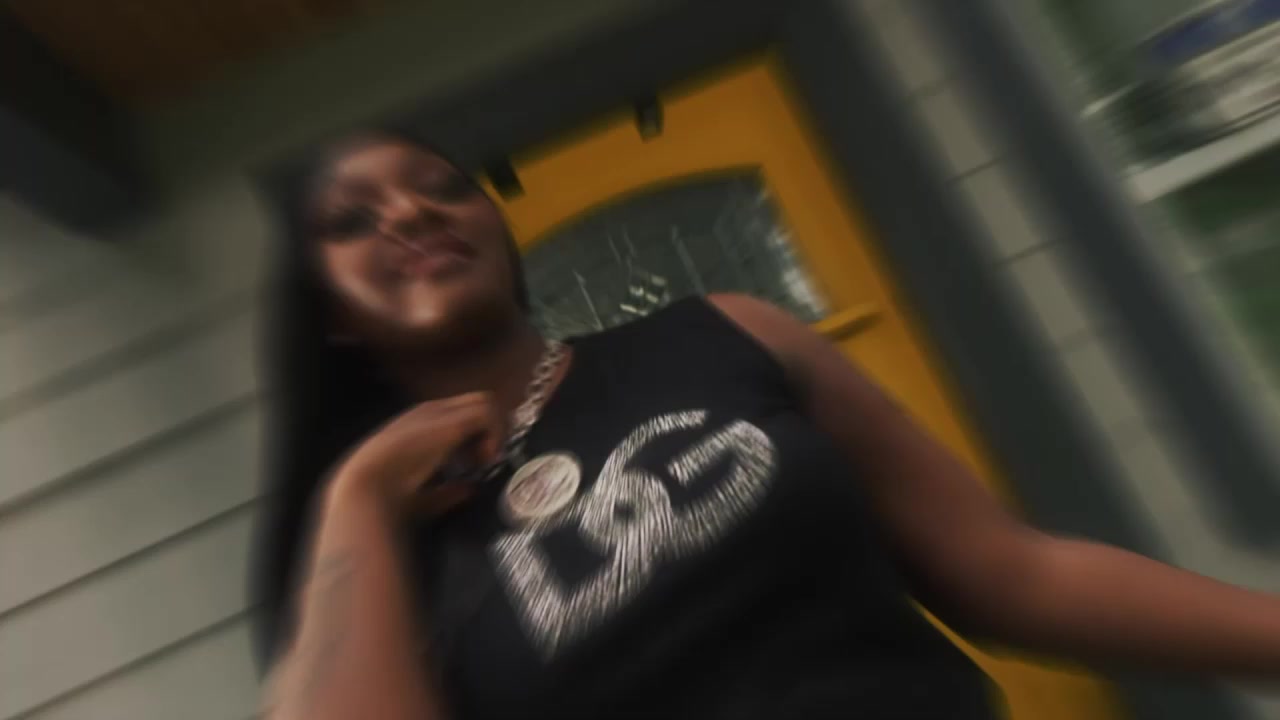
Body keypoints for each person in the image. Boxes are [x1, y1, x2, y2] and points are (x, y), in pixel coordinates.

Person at [251, 129, 1280, 720]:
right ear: (329, 315)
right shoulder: (369, 549)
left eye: (442, 186)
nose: (414, 213)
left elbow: (1016, 575)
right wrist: (359, 500)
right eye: (354, 220)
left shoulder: (725, 335)